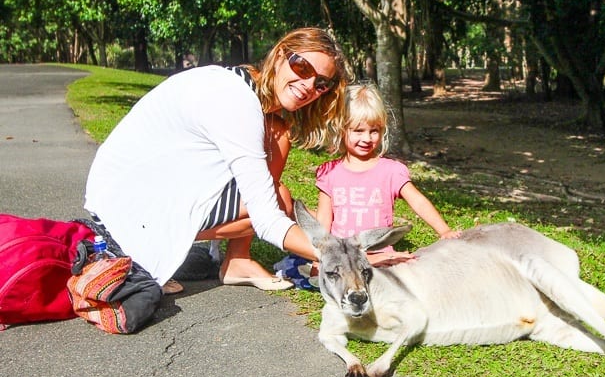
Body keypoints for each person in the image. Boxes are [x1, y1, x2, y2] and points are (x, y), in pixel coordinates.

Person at [84, 27, 349, 293]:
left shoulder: (249, 93)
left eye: (321, 83)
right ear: (280, 55)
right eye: (302, 68)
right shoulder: (237, 101)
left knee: (278, 137)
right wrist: (343, 258)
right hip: (122, 205)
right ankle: (138, 243)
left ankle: (238, 260)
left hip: (148, 187)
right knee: (277, 198)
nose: (308, 86)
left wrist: (338, 226)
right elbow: (267, 217)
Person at [315, 83, 459, 265]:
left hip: (378, 248)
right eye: (358, 131)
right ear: (341, 129)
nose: (367, 139)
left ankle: (378, 260)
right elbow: (323, 220)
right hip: (341, 251)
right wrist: (317, 258)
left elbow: (418, 201)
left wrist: (444, 231)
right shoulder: (330, 172)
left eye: (374, 131)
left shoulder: (391, 170)